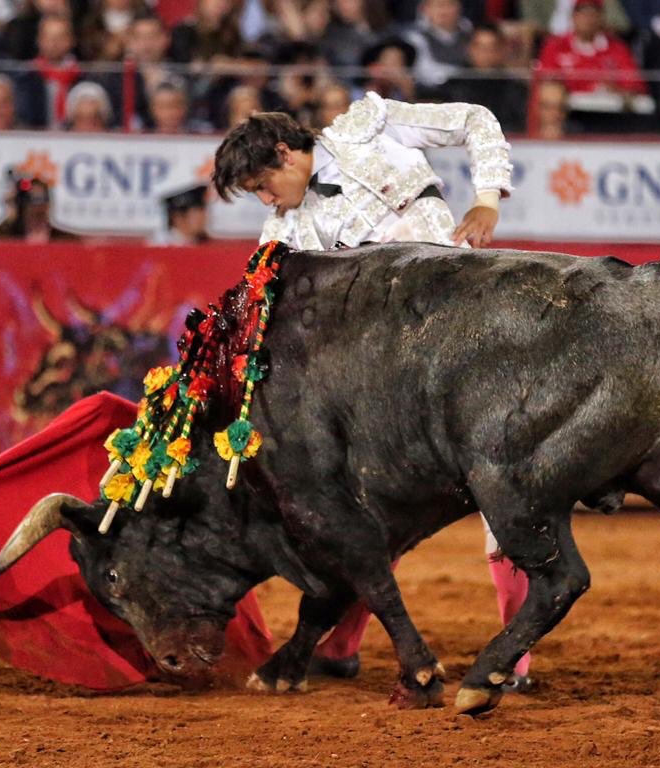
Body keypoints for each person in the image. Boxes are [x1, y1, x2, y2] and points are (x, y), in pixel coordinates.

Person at [212, 96, 535, 689]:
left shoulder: (370, 127)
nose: (264, 199)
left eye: (262, 183)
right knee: (369, 509)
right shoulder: (280, 232)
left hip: (461, 334)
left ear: (286, 153)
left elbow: (476, 119)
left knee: (504, 486)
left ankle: (513, 657)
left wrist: (487, 198)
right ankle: (340, 646)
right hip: (385, 389)